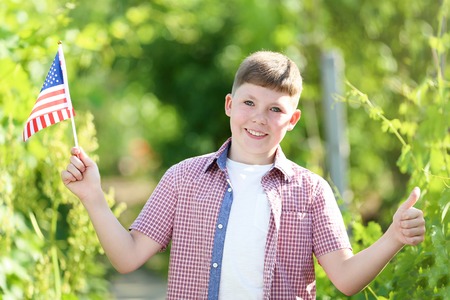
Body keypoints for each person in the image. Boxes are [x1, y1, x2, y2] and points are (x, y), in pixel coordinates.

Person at [61, 51, 426, 299]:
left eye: (275, 110)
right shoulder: (182, 178)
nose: (259, 118)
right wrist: (93, 196)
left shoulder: (310, 191)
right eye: (249, 103)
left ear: (293, 120)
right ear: (230, 105)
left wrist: (393, 237)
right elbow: (127, 258)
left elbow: (345, 279)